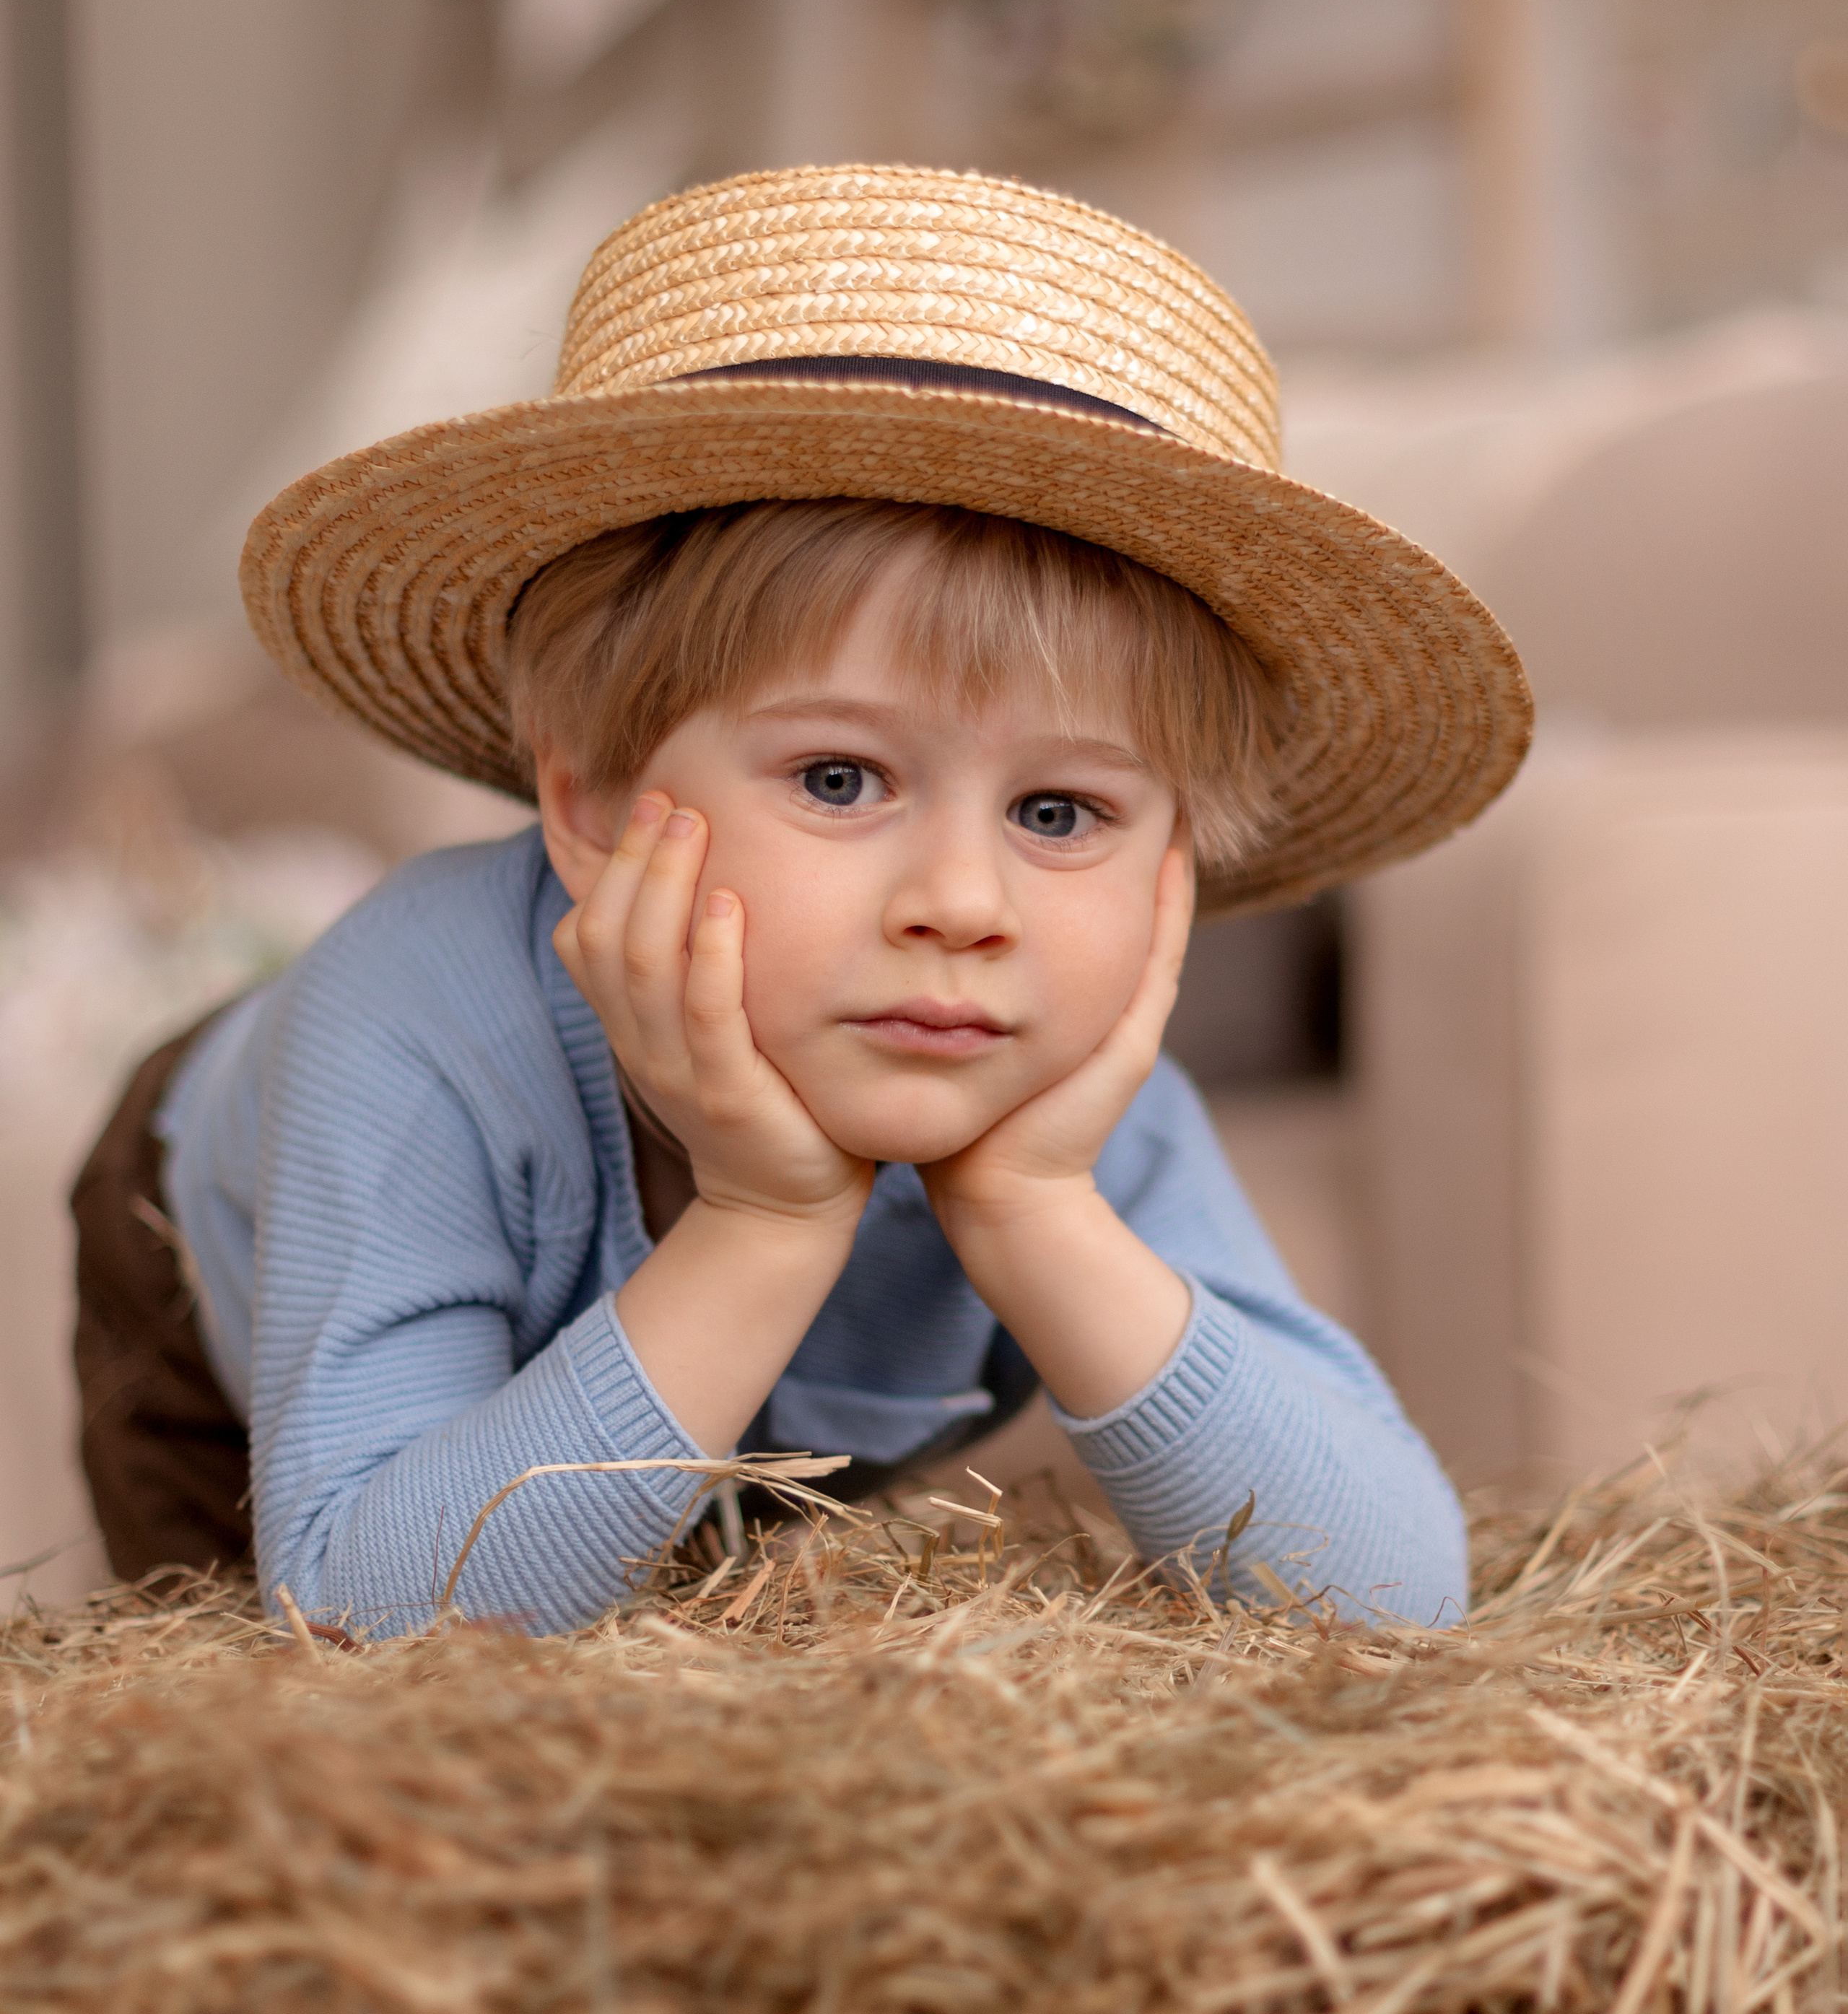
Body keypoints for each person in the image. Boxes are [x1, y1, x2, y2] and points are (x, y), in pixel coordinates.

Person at [71, 164, 1531, 1637]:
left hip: (702, 1387)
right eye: (838, 780)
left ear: (1170, 878)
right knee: (280, 1737)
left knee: (702, 1650)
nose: (962, 904)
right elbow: (362, 1626)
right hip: (216, 1262)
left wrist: (1034, 1208)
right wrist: (763, 1222)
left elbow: (1387, 1597)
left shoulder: (1078, 1093)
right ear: (587, 799)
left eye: (1056, 813)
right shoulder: (415, 1028)